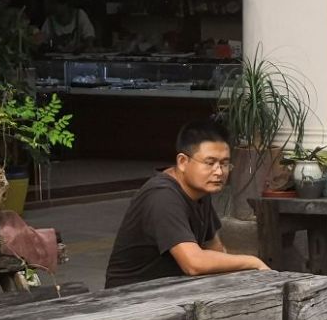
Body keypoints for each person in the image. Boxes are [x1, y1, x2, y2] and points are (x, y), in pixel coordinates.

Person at [103, 119, 269, 287]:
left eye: (224, 164)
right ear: (183, 161)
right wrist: (252, 262)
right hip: (131, 297)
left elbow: (215, 249)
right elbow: (193, 263)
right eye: (210, 163)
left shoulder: (201, 191)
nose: (219, 172)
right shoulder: (162, 196)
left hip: (172, 290)